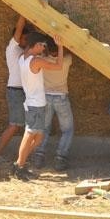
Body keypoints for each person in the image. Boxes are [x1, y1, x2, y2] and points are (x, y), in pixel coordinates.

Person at [12, 32, 65, 181]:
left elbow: (30, 45)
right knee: (29, 135)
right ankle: (19, 166)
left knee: (39, 137)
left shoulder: (22, 57)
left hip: (33, 103)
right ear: (36, 45)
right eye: (42, 45)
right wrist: (60, 47)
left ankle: (20, 163)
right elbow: (59, 65)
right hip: (35, 104)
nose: (44, 48)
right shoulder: (35, 61)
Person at [29, 37, 74, 171]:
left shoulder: (42, 61)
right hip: (61, 98)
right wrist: (61, 45)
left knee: (44, 129)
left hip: (46, 97)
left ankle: (38, 156)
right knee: (67, 129)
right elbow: (69, 52)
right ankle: (60, 158)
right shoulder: (66, 60)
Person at [0, 16, 33, 161]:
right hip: (15, 91)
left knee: (27, 126)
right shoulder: (12, 47)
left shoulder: (24, 51)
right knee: (14, 126)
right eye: (24, 38)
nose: (26, 41)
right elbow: (19, 29)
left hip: (23, 91)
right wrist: (23, 14)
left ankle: (22, 157)